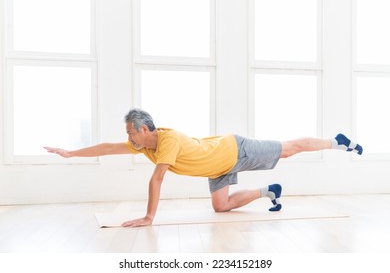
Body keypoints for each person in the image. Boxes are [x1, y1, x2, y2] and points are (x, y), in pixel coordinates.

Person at [44, 108, 363, 227]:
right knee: (221, 207)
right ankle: (270, 192)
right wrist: (71, 153)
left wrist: (149, 217)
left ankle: (336, 141)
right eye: (127, 133)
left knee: (289, 149)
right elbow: (107, 148)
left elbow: (157, 181)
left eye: (130, 132)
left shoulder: (165, 142)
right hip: (217, 167)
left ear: (145, 129)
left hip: (234, 149)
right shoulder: (144, 145)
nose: (127, 137)